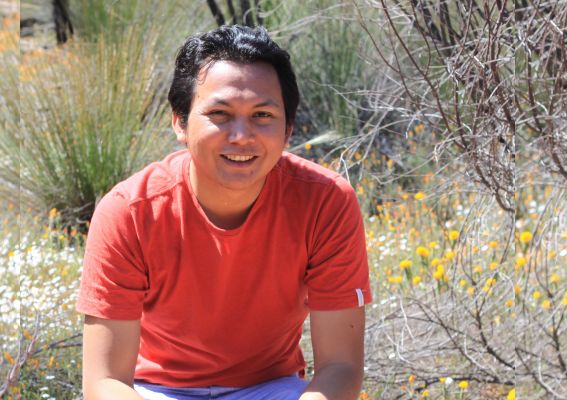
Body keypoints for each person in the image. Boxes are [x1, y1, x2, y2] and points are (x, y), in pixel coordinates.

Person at [76, 25, 371, 400]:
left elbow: (340, 367)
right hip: (154, 391)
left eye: (262, 115)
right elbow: (105, 382)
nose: (241, 135)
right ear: (180, 122)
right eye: (220, 113)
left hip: (272, 389)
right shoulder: (130, 211)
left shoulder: (326, 202)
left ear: (288, 128)